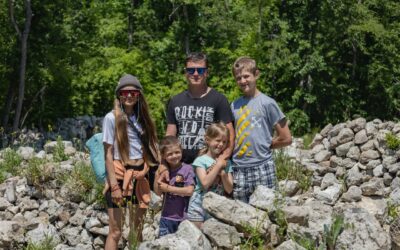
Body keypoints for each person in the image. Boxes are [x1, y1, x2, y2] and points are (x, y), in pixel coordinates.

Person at [102, 74, 159, 249]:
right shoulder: (111, 118)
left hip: (140, 175)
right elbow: (108, 154)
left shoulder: (143, 119)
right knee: (116, 232)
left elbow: (150, 149)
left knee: (137, 230)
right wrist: (114, 186)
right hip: (119, 175)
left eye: (133, 93)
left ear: (138, 95)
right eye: (125, 92)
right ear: (119, 95)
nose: (128, 96)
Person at [230, 56, 292, 203]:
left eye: (246, 76)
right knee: (241, 215)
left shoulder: (268, 103)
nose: (243, 81)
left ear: (256, 74)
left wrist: (267, 145)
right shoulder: (234, 105)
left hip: (263, 166)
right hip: (239, 168)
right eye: (238, 78)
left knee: (269, 212)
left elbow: (286, 138)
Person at [165, 52, 235, 164]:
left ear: (207, 72)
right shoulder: (175, 101)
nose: (196, 74)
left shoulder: (219, 99)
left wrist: (223, 159)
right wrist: (164, 164)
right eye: (191, 70)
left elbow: (230, 133)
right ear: (185, 73)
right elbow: (170, 136)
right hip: (181, 166)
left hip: (210, 165)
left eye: (200, 70)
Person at [187, 122, 233, 228]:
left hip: (216, 206)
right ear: (207, 140)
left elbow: (229, 189)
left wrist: (223, 174)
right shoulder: (200, 160)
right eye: (218, 140)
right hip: (198, 205)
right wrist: (218, 166)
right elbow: (205, 183)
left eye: (224, 142)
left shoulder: (227, 162)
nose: (221, 144)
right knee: (197, 237)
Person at [154, 136, 195, 237]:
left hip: (183, 219)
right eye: (170, 154)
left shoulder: (187, 168)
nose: (174, 156)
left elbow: (190, 190)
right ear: (163, 156)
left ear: (181, 151)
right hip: (166, 217)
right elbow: (157, 192)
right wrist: (157, 175)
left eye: (177, 152)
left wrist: (168, 188)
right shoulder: (164, 171)